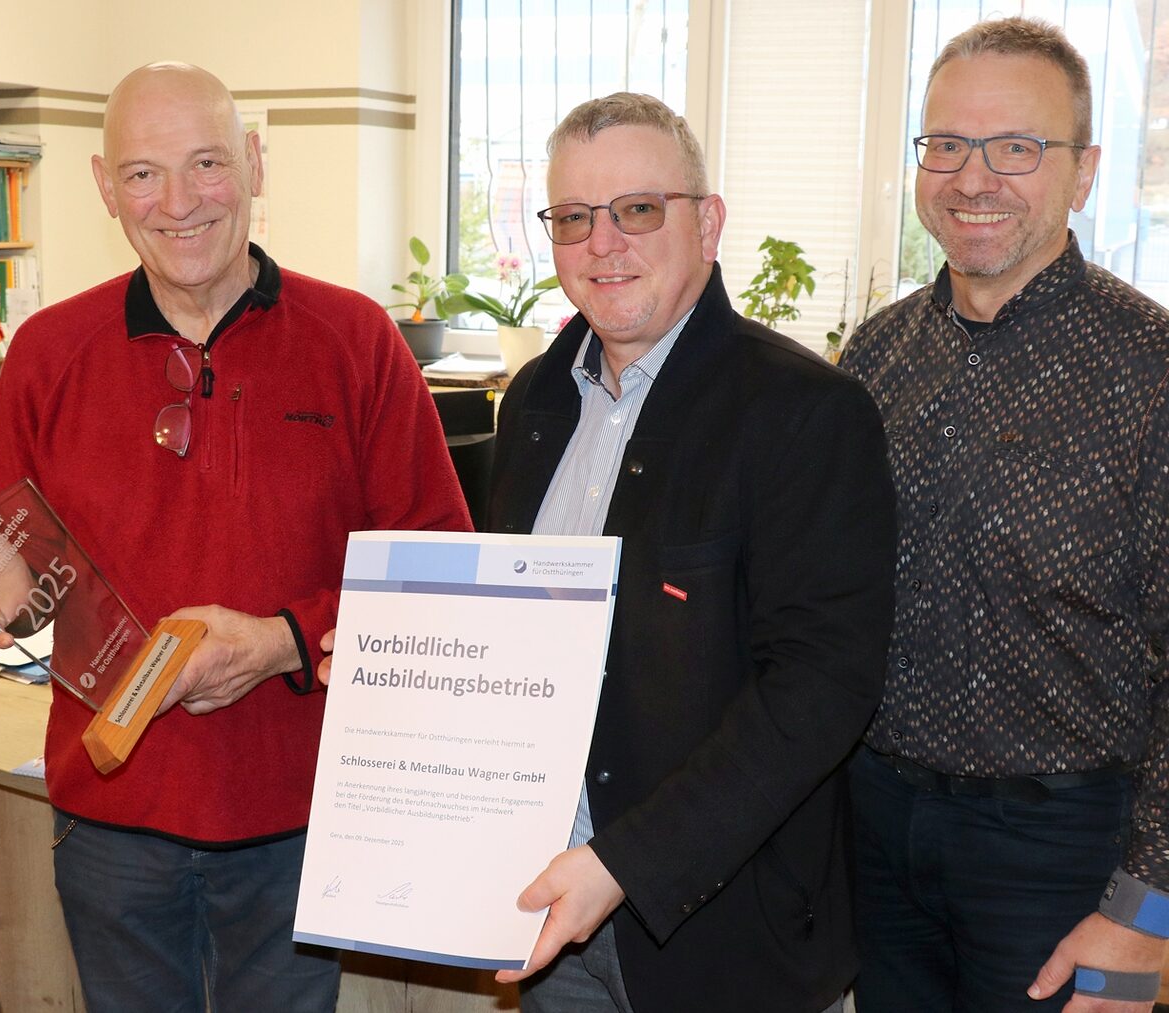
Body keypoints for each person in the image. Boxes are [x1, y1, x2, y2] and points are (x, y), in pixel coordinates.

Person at [0, 62, 471, 1012]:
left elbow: (438, 573)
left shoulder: (357, 341)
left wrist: (282, 641)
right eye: (143, 174)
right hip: (110, 824)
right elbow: (29, 583)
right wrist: (4, 594)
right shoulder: (48, 352)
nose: (178, 202)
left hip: (301, 819)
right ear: (106, 187)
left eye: (207, 162)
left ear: (255, 163)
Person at [473, 92, 897, 1013]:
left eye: (636, 209)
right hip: (547, 915)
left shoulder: (805, 412)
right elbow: (514, 634)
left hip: (725, 940)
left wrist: (625, 863)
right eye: (573, 217)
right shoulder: (533, 402)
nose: (602, 243)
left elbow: (820, 689)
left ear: (707, 223)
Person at [839, 16, 1169, 1012]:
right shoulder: (872, 358)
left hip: (1064, 850)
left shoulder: (1151, 370)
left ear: (1083, 171)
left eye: (1016, 147)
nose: (971, 177)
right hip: (872, 828)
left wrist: (1146, 909)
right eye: (945, 143)